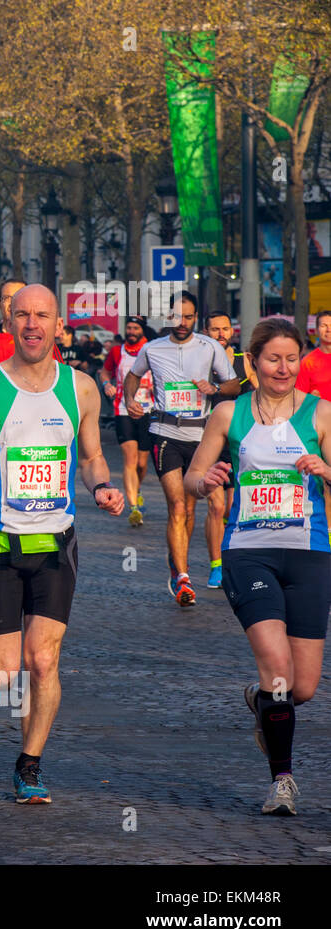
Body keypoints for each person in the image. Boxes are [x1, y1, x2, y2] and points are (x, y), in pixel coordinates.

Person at [0, 285, 124, 805]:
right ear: (8, 322)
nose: (32, 324)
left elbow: (90, 457)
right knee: (0, 669)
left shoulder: (81, 389)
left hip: (57, 544)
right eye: (22, 315)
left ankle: (29, 765)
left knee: (42, 660)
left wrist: (102, 485)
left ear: (58, 325)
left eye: (42, 316)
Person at [185, 318, 331, 816]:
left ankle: (262, 700)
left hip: (310, 553)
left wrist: (326, 470)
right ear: (253, 362)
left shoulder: (321, 415)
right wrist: (207, 481)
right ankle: (283, 782)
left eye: (292, 358)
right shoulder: (229, 414)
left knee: (303, 687)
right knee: (278, 668)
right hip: (249, 553)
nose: (284, 368)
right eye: (273, 358)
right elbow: (191, 478)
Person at [124, 291, 238, 606]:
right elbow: (132, 377)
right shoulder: (153, 348)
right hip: (165, 433)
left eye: (188, 317)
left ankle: (176, 564)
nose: (183, 322)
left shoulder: (210, 346)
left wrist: (214, 388)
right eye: (177, 316)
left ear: (195, 318)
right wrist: (129, 400)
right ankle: (184, 578)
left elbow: (233, 385)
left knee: (190, 509)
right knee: (176, 507)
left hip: (201, 438)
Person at [203, 309, 253, 588]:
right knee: (216, 505)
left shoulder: (244, 361)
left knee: (233, 506)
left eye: (224, 329)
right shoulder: (200, 359)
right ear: (205, 331)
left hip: (236, 439)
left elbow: (258, 394)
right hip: (206, 440)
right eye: (214, 330)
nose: (220, 334)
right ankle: (216, 566)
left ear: (231, 331)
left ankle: (233, 557)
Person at [100, 317, 156, 527]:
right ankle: (133, 508)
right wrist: (107, 384)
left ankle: (137, 488)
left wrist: (157, 388)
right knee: (130, 460)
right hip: (123, 409)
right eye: (129, 328)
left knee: (142, 464)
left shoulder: (151, 350)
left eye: (135, 328)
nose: (131, 331)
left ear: (142, 331)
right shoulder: (117, 351)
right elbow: (105, 371)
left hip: (147, 409)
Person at [294, 310, 331, 398]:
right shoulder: (307, 363)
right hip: (319, 411)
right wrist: (310, 399)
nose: (329, 330)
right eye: (324, 326)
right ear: (316, 331)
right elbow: (299, 399)